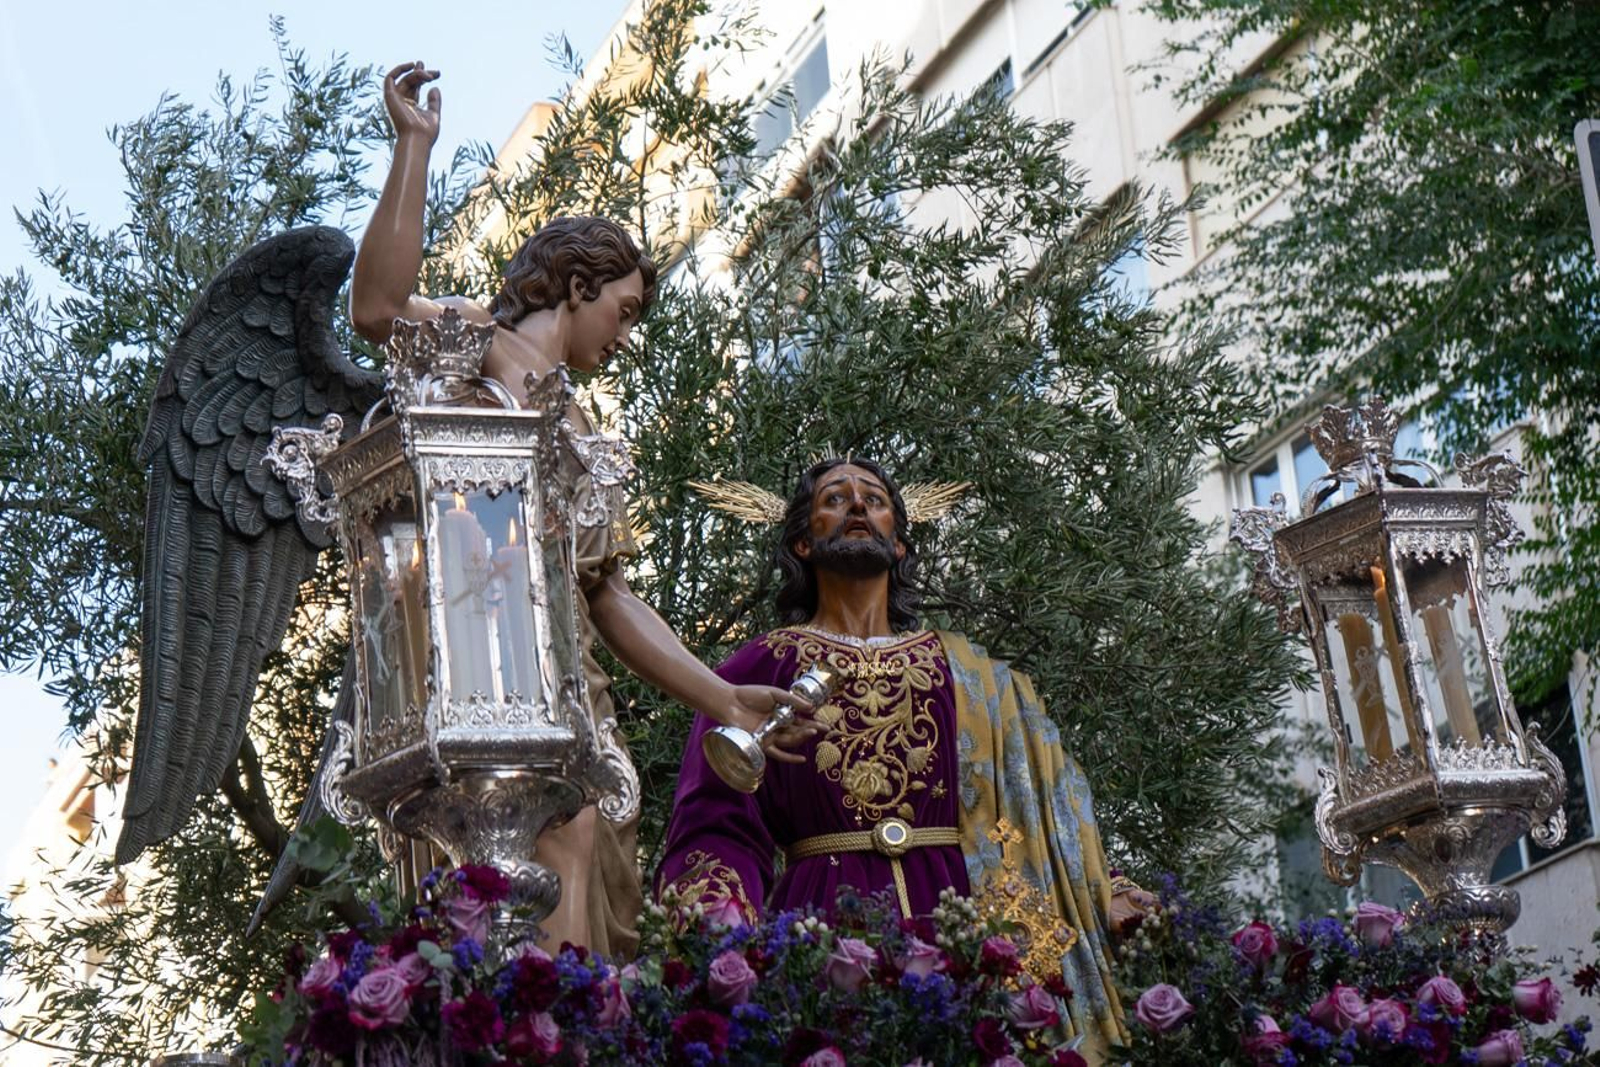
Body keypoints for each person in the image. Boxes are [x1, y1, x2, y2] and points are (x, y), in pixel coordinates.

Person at [350, 61, 806, 956]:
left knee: (593, 859)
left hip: (570, 681)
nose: (625, 337)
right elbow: (375, 306)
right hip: (482, 669)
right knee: (548, 850)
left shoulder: (582, 420)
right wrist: (414, 147)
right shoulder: (476, 345)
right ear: (576, 284)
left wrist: (720, 697)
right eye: (625, 311)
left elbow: (607, 594)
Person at [656, 457, 1152, 1053]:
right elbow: (715, 820)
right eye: (836, 499)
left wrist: (1106, 888)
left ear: (899, 546)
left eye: (875, 499)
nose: (859, 506)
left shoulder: (973, 679)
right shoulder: (755, 670)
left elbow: (1044, 813)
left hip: (968, 935)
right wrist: (723, 921)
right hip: (823, 936)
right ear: (802, 543)